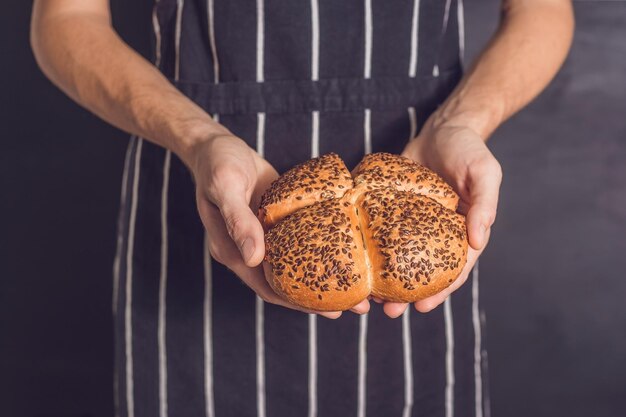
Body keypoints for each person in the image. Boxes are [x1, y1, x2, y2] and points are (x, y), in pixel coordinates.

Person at [31, 0, 573, 416]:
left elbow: (542, 10)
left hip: (417, 222)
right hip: (203, 187)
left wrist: (462, 122)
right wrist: (198, 140)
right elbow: (66, 17)